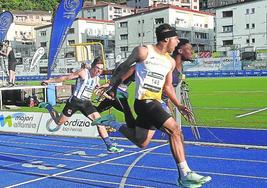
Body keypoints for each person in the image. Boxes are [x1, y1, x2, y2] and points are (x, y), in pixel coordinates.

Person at [92, 23, 211, 187]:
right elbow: (125, 66)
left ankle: (112, 123)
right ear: (167, 38)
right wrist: (112, 85)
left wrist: (179, 105)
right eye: (176, 39)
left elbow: (167, 86)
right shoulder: (144, 51)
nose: (177, 43)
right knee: (175, 130)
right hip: (144, 102)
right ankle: (185, 174)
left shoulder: (169, 62)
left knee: (141, 142)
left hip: (156, 102)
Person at [38, 57, 124, 153]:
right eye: (97, 68)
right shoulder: (83, 72)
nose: (99, 71)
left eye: (101, 69)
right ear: (92, 67)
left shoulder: (97, 78)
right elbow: (65, 78)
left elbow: (97, 90)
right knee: (58, 122)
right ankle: (49, 107)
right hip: (74, 102)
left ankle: (110, 146)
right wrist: (49, 81)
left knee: (100, 122)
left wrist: (108, 97)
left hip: (86, 103)